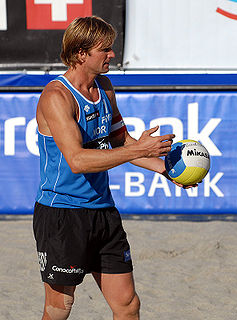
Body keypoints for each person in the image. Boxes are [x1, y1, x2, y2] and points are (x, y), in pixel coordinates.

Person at [33, 16, 195, 320]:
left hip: (103, 212)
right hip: (62, 214)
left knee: (128, 305)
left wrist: (166, 170)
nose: (112, 55)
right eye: (105, 49)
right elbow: (77, 160)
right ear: (81, 53)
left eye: (112, 48)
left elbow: (121, 143)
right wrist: (138, 149)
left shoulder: (104, 87)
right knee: (58, 311)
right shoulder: (57, 97)